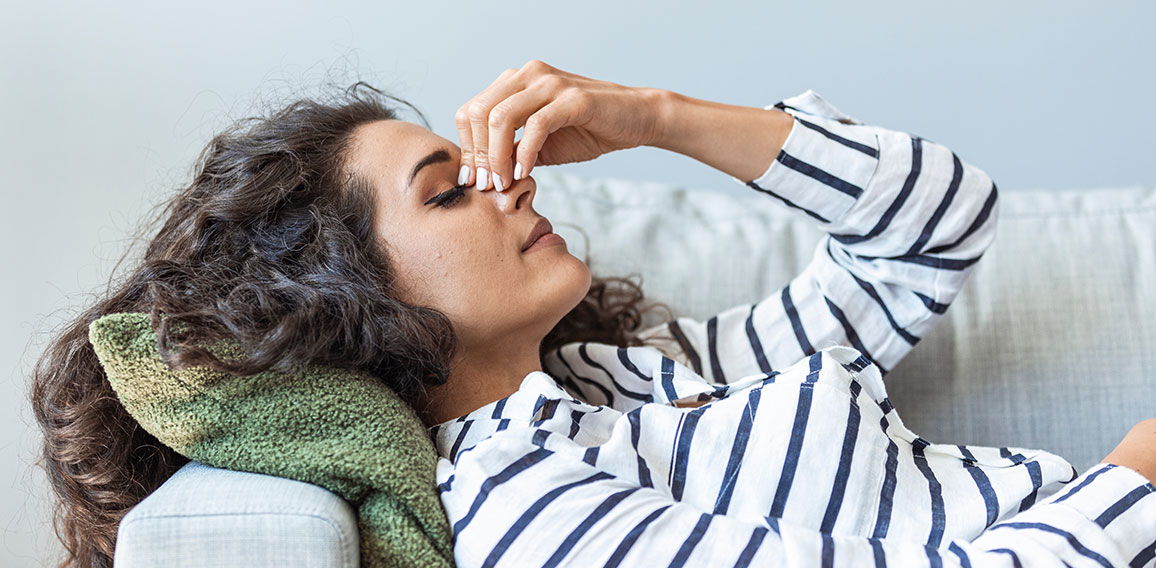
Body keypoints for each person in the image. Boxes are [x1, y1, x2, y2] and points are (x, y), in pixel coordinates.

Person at [31, 59, 1155, 568]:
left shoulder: (631, 376)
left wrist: (658, 115)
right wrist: (1137, 475)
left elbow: (938, 230)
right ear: (356, 300)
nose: (510, 182)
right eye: (449, 190)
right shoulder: (523, 511)